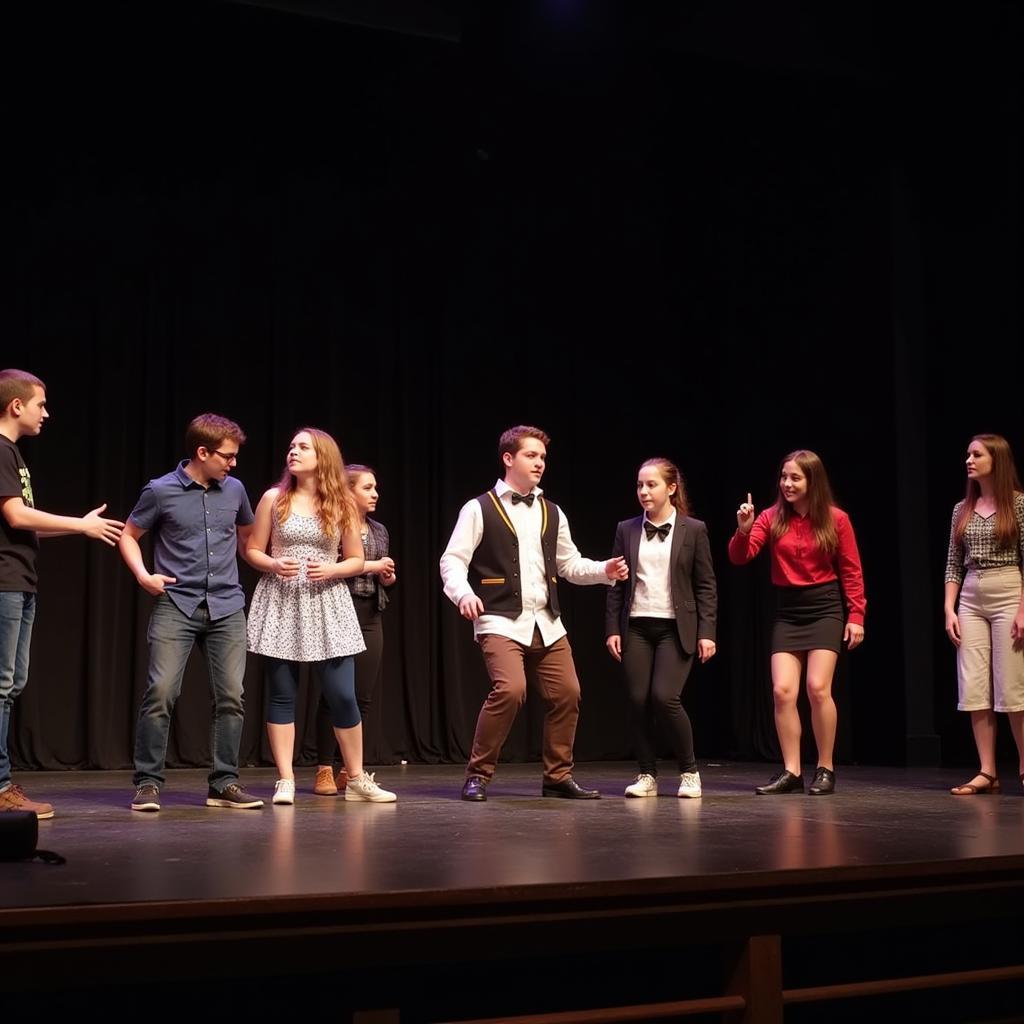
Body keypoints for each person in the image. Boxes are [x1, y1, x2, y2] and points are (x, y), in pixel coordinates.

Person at [440, 424, 629, 801]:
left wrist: (603, 571)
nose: (539, 463)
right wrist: (462, 594)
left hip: (547, 622)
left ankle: (557, 776)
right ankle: (478, 774)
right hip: (499, 618)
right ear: (508, 459)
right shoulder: (478, 509)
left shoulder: (552, 511)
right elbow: (452, 560)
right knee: (511, 689)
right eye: (531, 455)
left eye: (542, 457)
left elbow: (569, 564)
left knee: (568, 693)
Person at [120, 413, 263, 811]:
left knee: (231, 696)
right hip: (176, 605)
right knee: (162, 692)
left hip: (227, 606)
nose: (233, 464)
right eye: (227, 456)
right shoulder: (160, 491)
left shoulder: (235, 490)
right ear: (203, 452)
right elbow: (130, 536)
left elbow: (247, 540)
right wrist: (143, 575)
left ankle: (223, 783)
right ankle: (148, 783)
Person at [246, 430, 395, 805]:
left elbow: (357, 559)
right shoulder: (273, 499)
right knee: (282, 694)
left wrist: (333, 570)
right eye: (291, 446)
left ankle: (357, 778)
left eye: (302, 447)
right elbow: (251, 549)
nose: (292, 452)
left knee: (344, 694)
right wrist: (273, 562)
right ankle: (286, 779)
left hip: (328, 602)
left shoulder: (341, 503)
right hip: (282, 600)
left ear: (322, 457)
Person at [0, 369, 123, 819]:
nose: (46, 413)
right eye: (41, 404)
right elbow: (16, 517)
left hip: (19, 580)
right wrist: (80, 524)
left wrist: (78, 528)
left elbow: (23, 521)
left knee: (11, 684)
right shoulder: (0, 450)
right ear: (17, 406)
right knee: (1, 685)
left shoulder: (12, 453)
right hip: (5, 582)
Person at [728, 449, 865, 795]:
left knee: (818, 689)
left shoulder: (837, 520)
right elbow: (741, 557)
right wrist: (743, 531)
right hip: (788, 610)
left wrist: (857, 615)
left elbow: (851, 571)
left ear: (812, 481)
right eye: (784, 477)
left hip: (825, 606)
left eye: (795, 478)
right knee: (782, 691)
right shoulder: (771, 518)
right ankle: (791, 771)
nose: (787, 484)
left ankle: (825, 767)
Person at [605, 458, 718, 799]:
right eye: (639, 485)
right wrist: (612, 627)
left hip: (675, 626)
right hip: (636, 625)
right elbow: (616, 584)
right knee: (638, 700)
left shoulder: (693, 530)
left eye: (651, 485)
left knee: (664, 697)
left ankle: (689, 771)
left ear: (671, 488)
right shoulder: (626, 529)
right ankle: (647, 775)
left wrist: (707, 631)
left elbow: (706, 585)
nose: (643, 491)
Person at [943, 433, 1024, 795]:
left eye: (977, 454)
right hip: (971, 596)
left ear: (997, 460)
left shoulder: (1019, 505)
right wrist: (949, 608)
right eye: (967, 454)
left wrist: (1023, 608)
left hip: (1009, 590)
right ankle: (987, 771)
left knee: (1012, 688)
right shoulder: (962, 508)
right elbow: (953, 564)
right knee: (974, 686)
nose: (969, 460)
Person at [311, 464, 396, 796]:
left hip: (370, 611)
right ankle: (323, 768)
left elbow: (379, 572)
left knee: (362, 695)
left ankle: (350, 770)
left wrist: (386, 576)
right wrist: (373, 565)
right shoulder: (330, 526)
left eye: (375, 488)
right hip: (338, 610)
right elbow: (329, 569)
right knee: (334, 694)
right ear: (347, 491)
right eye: (368, 488)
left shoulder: (379, 530)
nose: (375, 494)